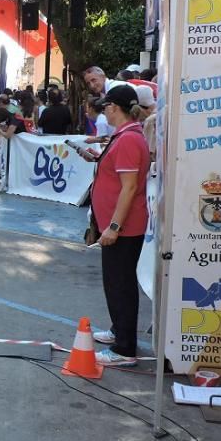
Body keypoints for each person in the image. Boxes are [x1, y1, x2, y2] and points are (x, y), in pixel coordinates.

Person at [90, 84, 150, 367]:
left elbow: (128, 189)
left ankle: (125, 348)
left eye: (106, 106)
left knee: (120, 284)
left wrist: (114, 226)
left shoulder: (127, 139)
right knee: (115, 281)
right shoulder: (125, 136)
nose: (104, 111)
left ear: (114, 108)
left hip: (123, 226)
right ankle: (118, 331)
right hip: (119, 224)